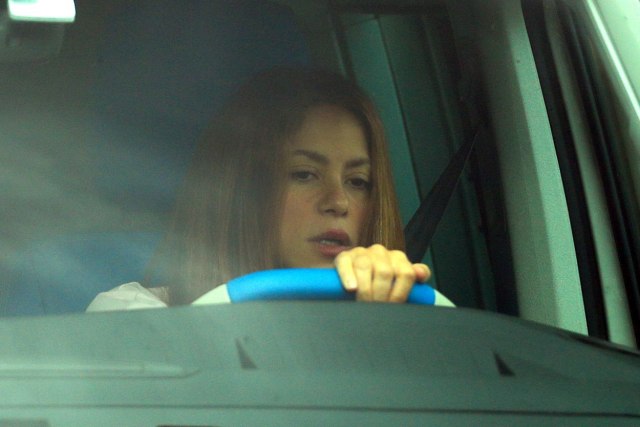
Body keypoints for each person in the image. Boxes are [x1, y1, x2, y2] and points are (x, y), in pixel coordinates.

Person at [86, 67, 454, 311]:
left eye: (358, 182)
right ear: (243, 191)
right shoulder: (135, 313)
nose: (338, 202)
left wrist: (386, 320)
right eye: (305, 174)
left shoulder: (411, 317)